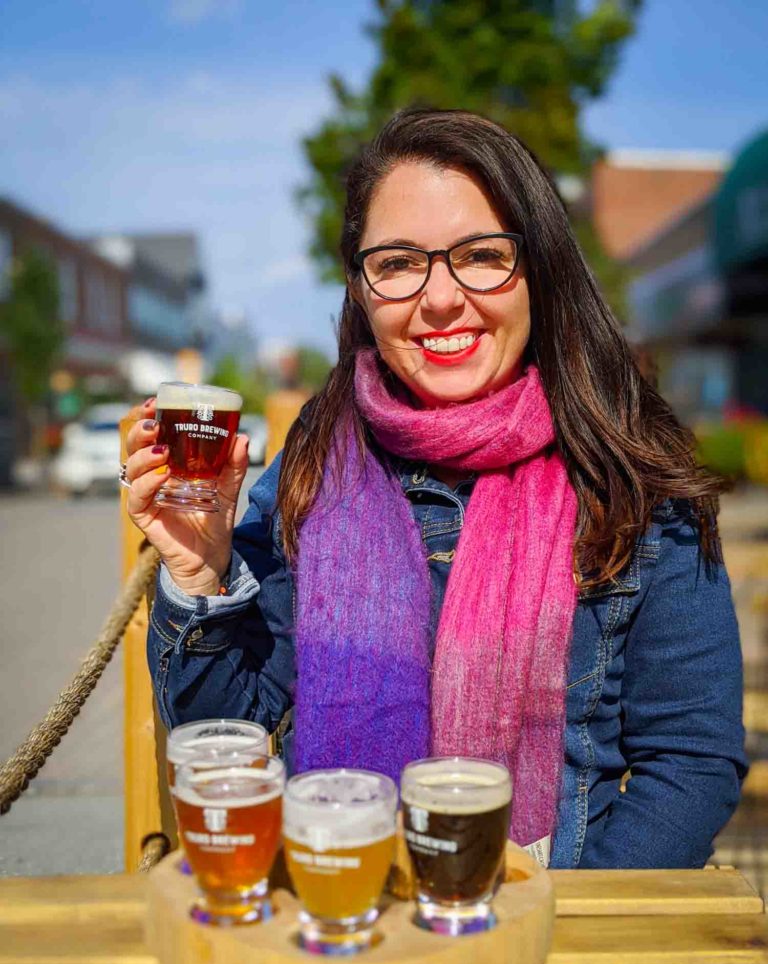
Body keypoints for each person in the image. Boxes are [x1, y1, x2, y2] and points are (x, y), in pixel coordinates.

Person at [124, 108, 746, 869]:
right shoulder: (313, 467)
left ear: (539, 269)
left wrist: (559, 927)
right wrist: (198, 573)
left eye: (482, 255)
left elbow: (688, 766)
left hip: (545, 940)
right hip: (335, 909)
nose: (441, 298)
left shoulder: (636, 483)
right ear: (361, 286)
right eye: (398, 262)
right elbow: (225, 737)